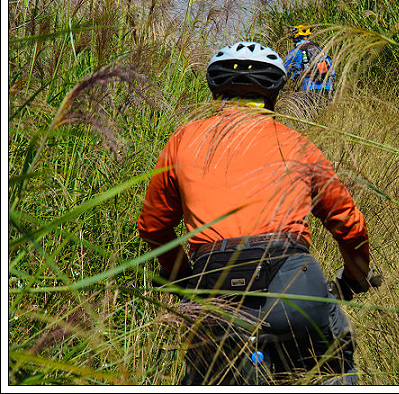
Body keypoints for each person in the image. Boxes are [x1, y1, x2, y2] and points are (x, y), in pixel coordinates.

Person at [137, 41, 374, 385]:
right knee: (336, 362)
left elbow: (153, 227)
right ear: (273, 92)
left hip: (213, 289)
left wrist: (181, 277)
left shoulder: (183, 139)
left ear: (216, 90)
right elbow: (349, 225)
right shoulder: (297, 144)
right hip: (294, 286)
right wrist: (354, 277)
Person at [284, 25, 334, 105]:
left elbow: (285, 73)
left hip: (308, 90)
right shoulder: (321, 51)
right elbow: (332, 72)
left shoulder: (294, 53)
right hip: (327, 89)